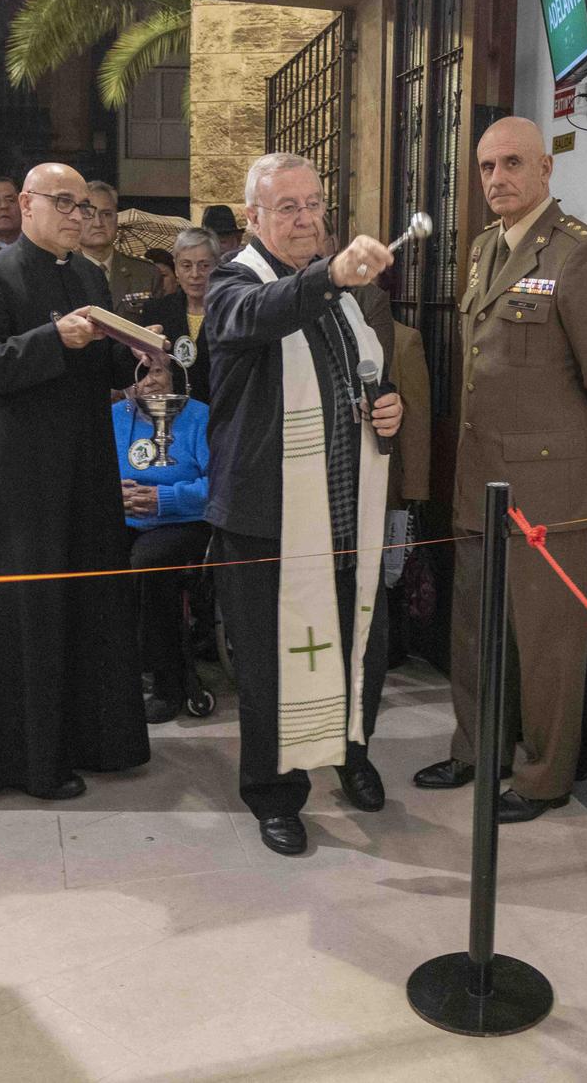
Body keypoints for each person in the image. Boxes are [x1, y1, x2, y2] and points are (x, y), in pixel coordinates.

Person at [414, 117, 587, 825]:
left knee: (546, 638)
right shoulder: (486, 247)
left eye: (512, 162)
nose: (497, 178)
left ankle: (543, 776)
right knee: (476, 628)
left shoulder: (578, 257)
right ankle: (476, 748)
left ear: (546, 167)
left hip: (549, 484)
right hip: (480, 477)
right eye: (485, 167)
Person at [204, 152, 403, 856]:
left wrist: (387, 406)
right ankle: (275, 792)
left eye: (313, 203)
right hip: (268, 517)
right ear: (253, 218)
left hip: (346, 510)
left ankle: (353, 753)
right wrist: (330, 274)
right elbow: (256, 316)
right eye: (285, 206)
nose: (305, 217)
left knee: (362, 645)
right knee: (270, 664)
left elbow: (366, 377)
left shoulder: (345, 301)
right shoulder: (234, 284)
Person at [0, 162, 149, 799]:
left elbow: (103, 362)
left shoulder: (89, 274)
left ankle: (97, 740)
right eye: (63, 202)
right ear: (26, 204)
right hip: (21, 474)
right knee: (32, 611)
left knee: (88, 604)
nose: (76, 216)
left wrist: (140, 354)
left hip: (86, 463)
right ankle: (31, 760)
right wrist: (51, 338)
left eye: (83, 206)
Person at [113, 375, 212, 724]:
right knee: (90, 558)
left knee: (148, 565)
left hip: (186, 520)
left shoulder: (200, 416)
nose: (149, 381)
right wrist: (113, 497)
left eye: (157, 370)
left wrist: (164, 498)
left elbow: (220, 483)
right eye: (140, 372)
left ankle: (167, 681)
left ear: (176, 376)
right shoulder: (114, 417)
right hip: (124, 520)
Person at [140, 226, 220, 403]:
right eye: (186, 265)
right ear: (175, 268)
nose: (195, 274)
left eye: (204, 266)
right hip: (170, 414)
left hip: (220, 414)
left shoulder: (230, 312)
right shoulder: (156, 311)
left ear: (217, 266)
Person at [76, 179, 162, 316]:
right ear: (76, 219)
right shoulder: (61, 272)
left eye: (106, 214)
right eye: (88, 214)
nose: (98, 223)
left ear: (117, 219)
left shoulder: (146, 274)